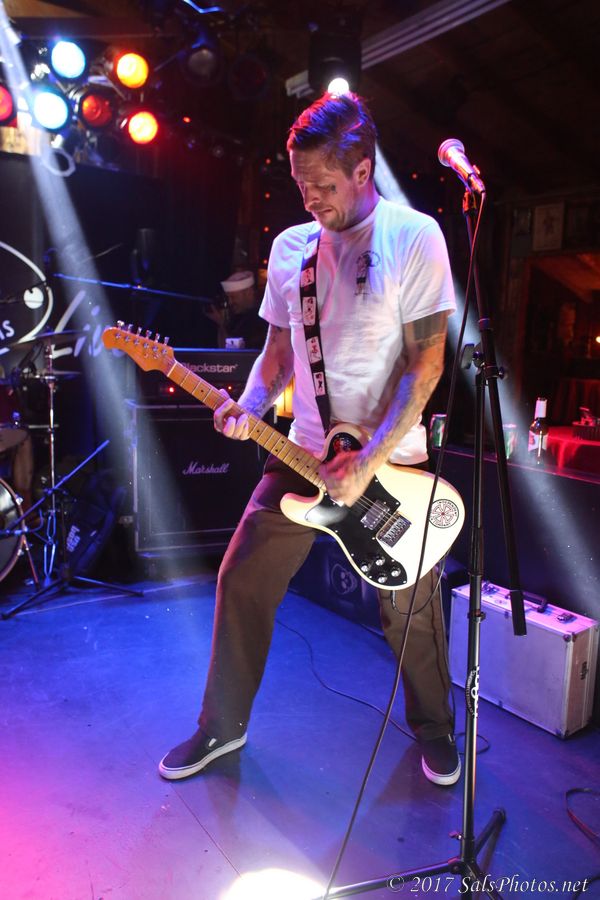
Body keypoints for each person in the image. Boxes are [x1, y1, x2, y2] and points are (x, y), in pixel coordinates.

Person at [159, 92, 460, 787]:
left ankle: (436, 729)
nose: (310, 198)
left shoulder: (415, 237)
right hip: (303, 453)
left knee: (410, 609)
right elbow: (276, 357)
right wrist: (250, 405)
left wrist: (370, 460)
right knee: (241, 577)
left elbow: (426, 365)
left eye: (323, 184)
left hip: (391, 462)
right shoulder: (291, 249)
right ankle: (221, 726)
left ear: (363, 171)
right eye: (301, 184)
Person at [204, 270, 268, 350]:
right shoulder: (239, 317)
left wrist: (222, 324)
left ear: (248, 293)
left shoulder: (261, 317)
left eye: (233, 297)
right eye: (228, 298)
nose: (230, 302)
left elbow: (235, 351)